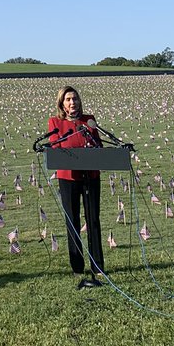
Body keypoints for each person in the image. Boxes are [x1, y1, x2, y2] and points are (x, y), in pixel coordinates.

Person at [47, 85, 105, 289]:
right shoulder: (56, 122)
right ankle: (77, 267)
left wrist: (93, 146)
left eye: (76, 99)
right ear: (62, 103)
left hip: (91, 176)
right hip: (68, 178)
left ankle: (97, 266)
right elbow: (55, 147)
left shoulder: (89, 120)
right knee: (72, 221)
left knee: (93, 220)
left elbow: (99, 145)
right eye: (69, 99)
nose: (73, 102)